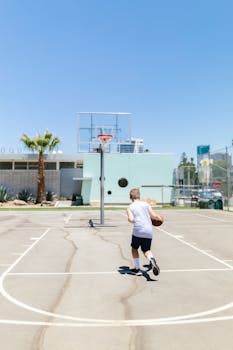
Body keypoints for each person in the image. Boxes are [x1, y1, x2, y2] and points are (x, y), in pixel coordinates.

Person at [126, 188, 161, 276]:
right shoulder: (146, 204)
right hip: (148, 230)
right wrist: (159, 218)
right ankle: (151, 259)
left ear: (130, 197)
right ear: (139, 196)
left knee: (134, 249)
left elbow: (131, 219)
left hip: (138, 230)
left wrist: (133, 219)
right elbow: (154, 215)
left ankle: (137, 269)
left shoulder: (130, 207)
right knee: (146, 250)